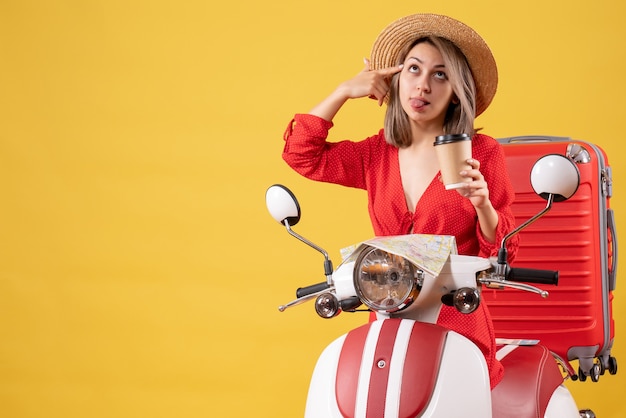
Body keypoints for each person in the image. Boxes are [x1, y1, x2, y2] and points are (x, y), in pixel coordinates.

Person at [281, 13, 519, 389]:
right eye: (413, 69)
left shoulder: (482, 153)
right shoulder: (377, 153)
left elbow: (502, 249)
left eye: (440, 75)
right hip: (388, 319)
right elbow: (302, 154)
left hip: (456, 321)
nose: (422, 85)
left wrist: (482, 203)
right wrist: (344, 90)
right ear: (395, 78)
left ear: (457, 90)